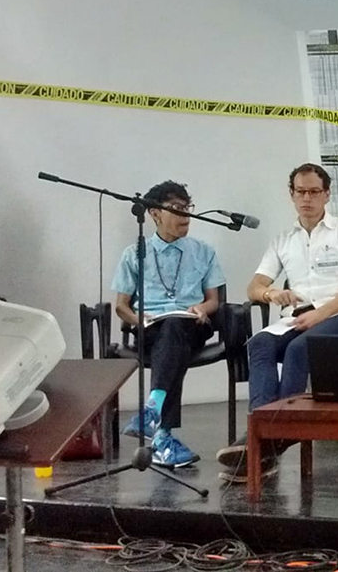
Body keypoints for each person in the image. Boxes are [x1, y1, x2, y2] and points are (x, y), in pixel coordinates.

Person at [216, 163, 338, 482]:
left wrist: (320, 315)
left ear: (326, 194)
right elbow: (254, 286)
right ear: (292, 194)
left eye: (314, 192)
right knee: (259, 344)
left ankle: (269, 439)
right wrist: (273, 293)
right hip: (298, 317)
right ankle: (265, 434)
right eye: (300, 191)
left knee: (300, 348)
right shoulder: (283, 239)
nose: (307, 198)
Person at [112, 180, 225, 468]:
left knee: (176, 326)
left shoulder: (203, 251)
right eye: (176, 209)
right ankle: (162, 436)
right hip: (151, 328)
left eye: (188, 208)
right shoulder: (133, 254)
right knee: (169, 336)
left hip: (193, 324)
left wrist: (202, 307)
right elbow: (121, 306)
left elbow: (215, 300)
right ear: (154, 214)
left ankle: (152, 410)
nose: (185, 215)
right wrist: (141, 319)